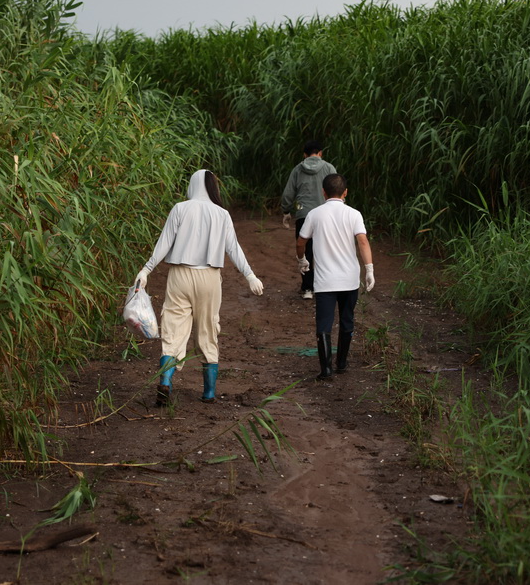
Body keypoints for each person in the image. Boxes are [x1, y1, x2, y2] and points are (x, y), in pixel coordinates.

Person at [134, 169, 264, 405]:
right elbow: (233, 247)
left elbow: (163, 243)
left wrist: (146, 270)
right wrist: (250, 275)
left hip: (179, 276)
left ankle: (165, 380)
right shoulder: (222, 214)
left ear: (192, 185)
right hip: (210, 277)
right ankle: (209, 393)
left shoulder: (180, 208)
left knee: (173, 329)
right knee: (208, 330)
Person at [296, 173, 374, 380]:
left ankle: (326, 369)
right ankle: (342, 363)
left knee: (324, 323)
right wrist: (369, 269)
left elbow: (300, 241)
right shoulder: (354, 214)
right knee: (347, 320)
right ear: (345, 192)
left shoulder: (315, 214)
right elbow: (363, 242)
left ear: (323, 192)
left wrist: (302, 260)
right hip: (349, 279)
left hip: (324, 282)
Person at [280, 139, 336, 299]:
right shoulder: (329, 168)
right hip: (325, 214)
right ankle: (323, 287)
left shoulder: (298, 169)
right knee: (324, 250)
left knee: (305, 250)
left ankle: (307, 289)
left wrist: (286, 211)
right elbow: (336, 188)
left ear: (304, 155)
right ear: (320, 153)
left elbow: (288, 193)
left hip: (304, 215)